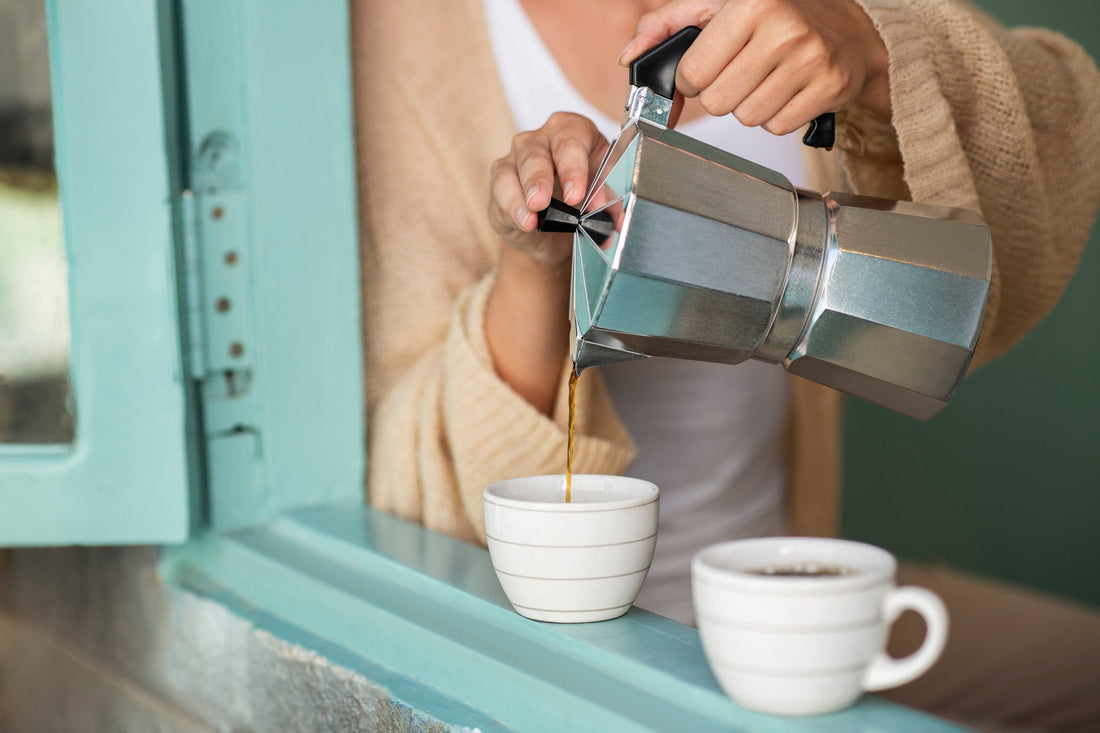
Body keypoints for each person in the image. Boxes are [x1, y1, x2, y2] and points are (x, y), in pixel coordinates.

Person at [352, 0, 1100, 729]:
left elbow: (1063, 117)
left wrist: (874, 47)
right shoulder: (396, 34)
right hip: (558, 655)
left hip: (784, 588)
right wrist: (532, 269)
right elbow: (405, 493)